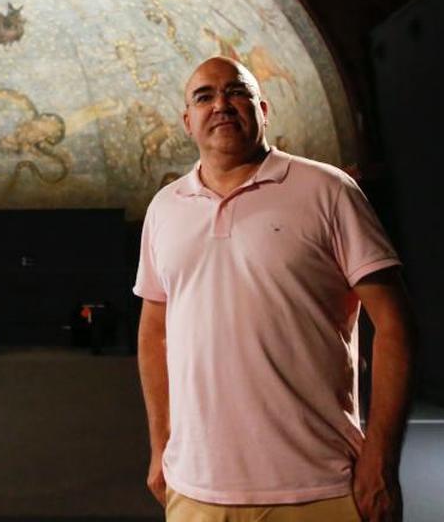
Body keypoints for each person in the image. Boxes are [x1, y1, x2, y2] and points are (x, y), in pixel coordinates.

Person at [135, 57, 415, 522]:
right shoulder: (164, 208)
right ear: (187, 121)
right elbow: (153, 333)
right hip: (198, 491)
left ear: (262, 108)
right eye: (204, 96)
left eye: (236, 92)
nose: (221, 104)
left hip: (321, 486)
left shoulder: (328, 190)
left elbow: (396, 324)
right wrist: (159, 445)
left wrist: (382, 461)